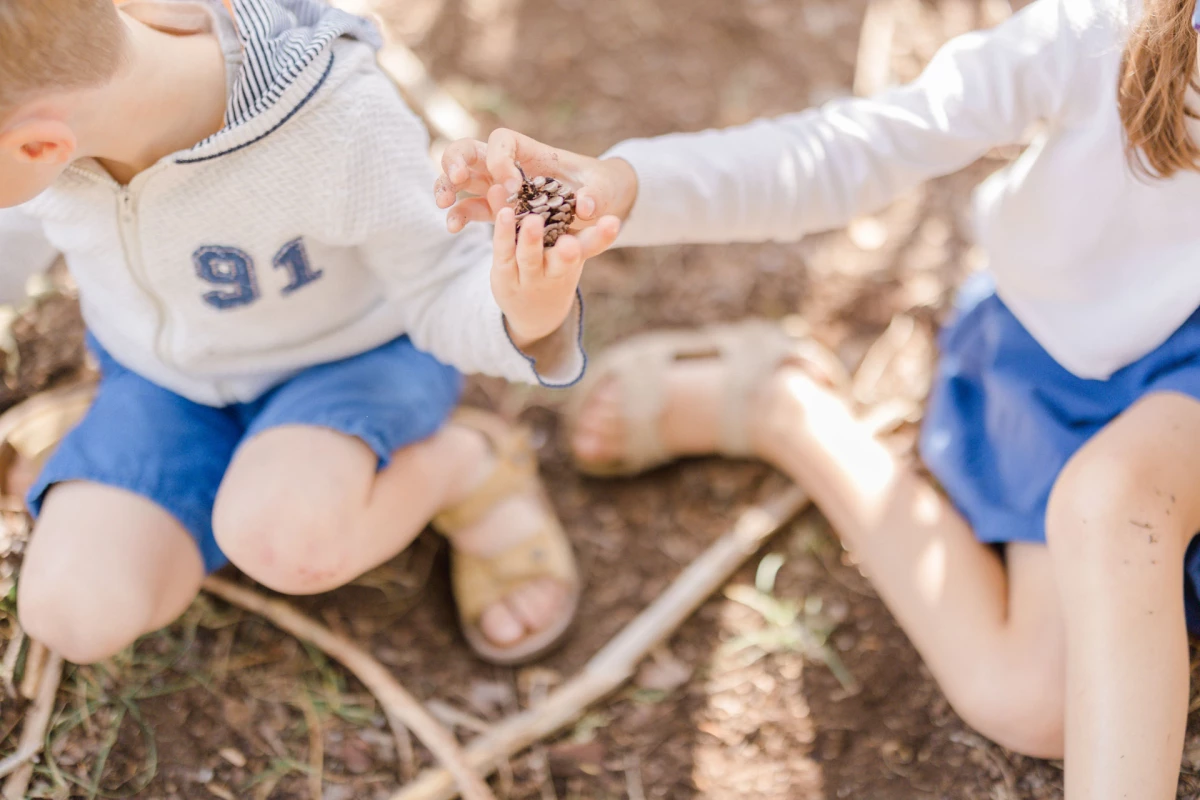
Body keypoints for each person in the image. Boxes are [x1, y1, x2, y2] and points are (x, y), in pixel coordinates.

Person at [435, 0, 1200, 791]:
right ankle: (788, 411)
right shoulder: (1100, 33)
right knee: (1033, 701)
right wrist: (625, 187)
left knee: (1113, 516)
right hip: (1068, 359)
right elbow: (854, 149)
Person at [0, 0, 621, 667]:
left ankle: (466, 465)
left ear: (41, 146)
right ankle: (219, 466)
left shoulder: (332, 121)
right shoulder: (51, 112)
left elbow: (439, 280)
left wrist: (526, 308)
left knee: (281, 543)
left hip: (353, 362)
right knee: (71, 616)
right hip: (163, 378)